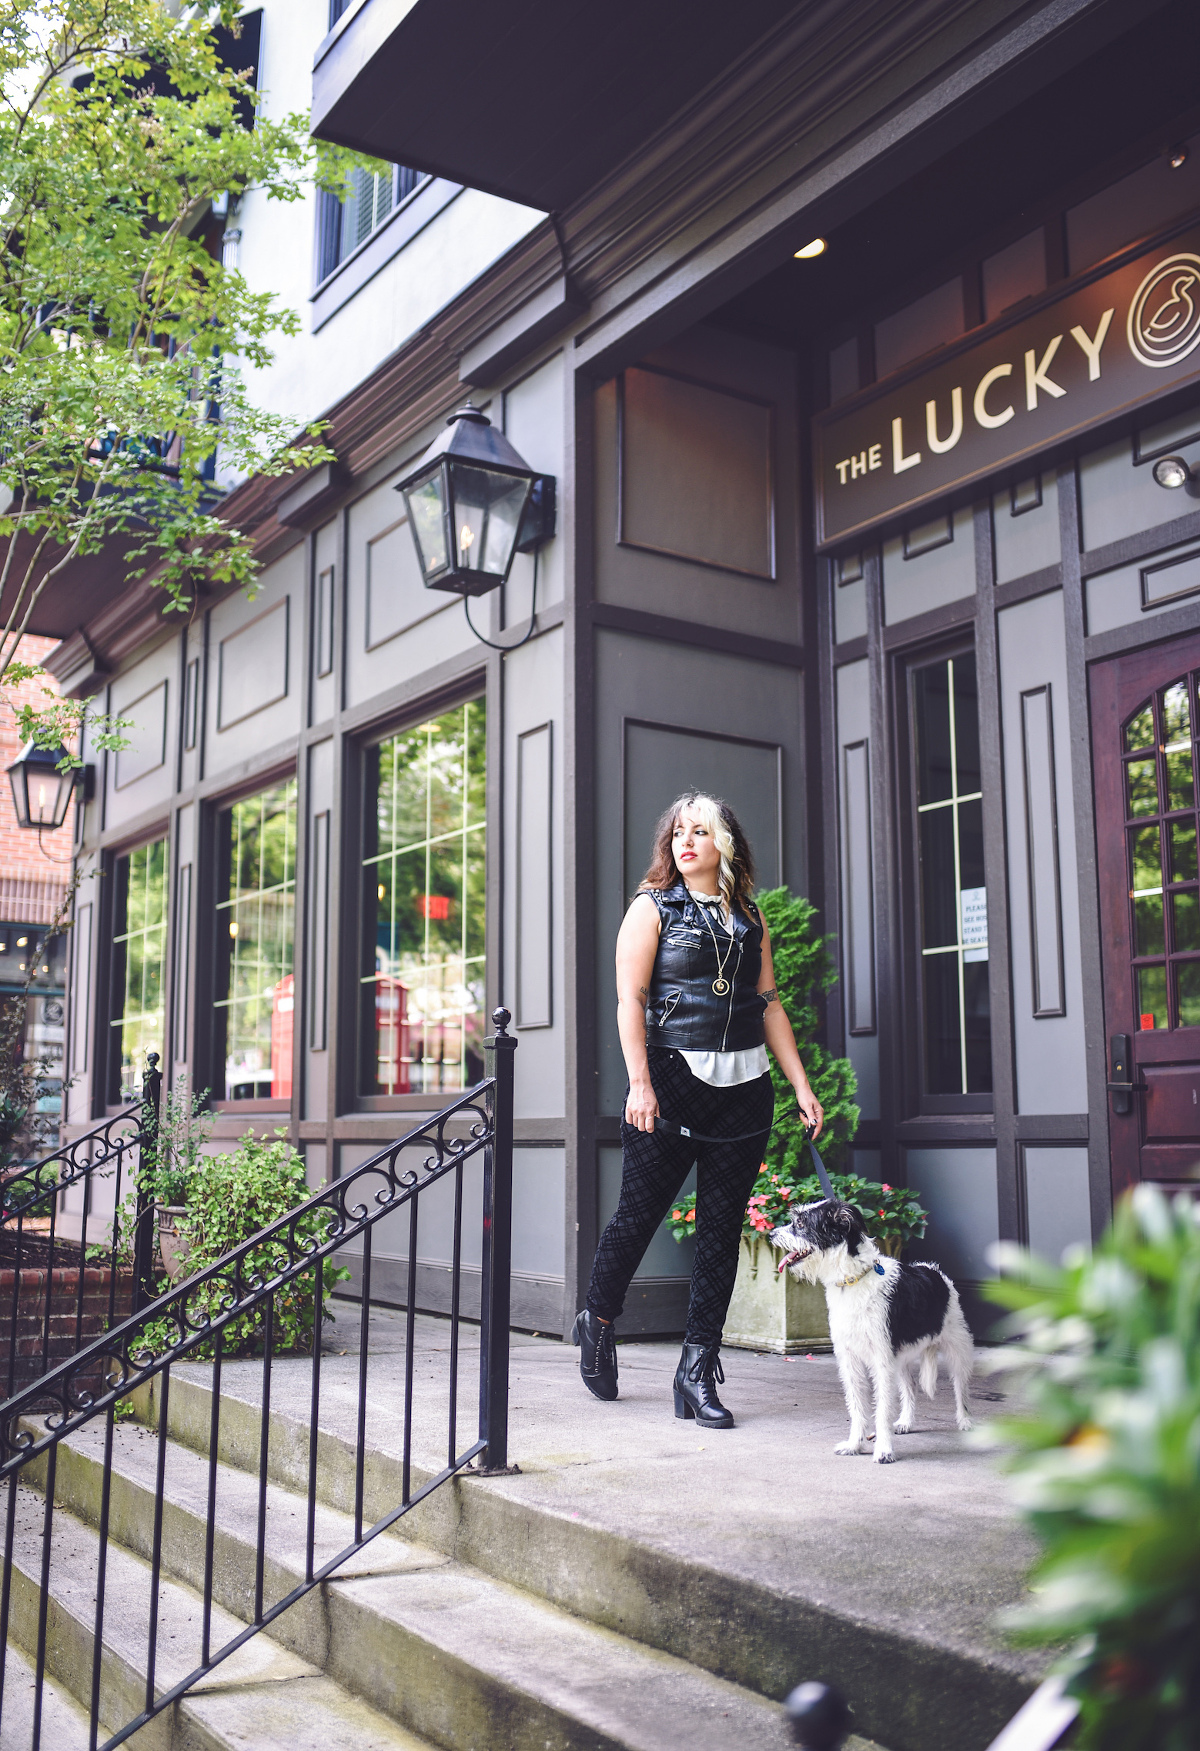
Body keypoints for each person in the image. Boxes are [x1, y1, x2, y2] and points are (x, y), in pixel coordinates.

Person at [573, 792, 824, 1429]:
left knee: (720, 1230)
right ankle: (598, 1317)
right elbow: (630, 1001)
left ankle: (696, 1369)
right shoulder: (651, 907)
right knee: (639, 1212)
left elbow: (768, 1004)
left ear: (725, 844)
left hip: (746, 1085)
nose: (686, 842)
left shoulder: (749, 916)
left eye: (701, 832)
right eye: (679, 832)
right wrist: (640, 1084)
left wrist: (800, 1085)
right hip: (670, 1078)